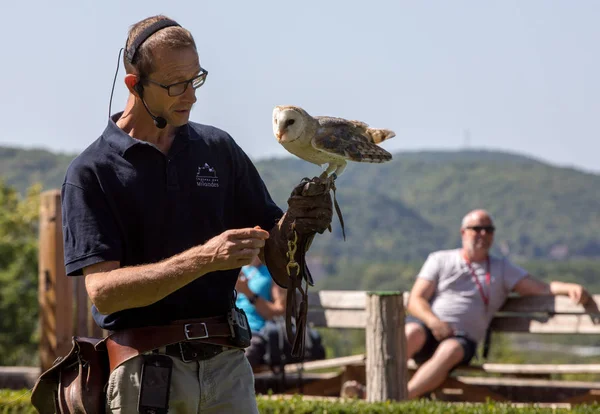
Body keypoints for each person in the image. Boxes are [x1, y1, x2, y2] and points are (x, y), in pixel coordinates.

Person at [60, 15, 332, 414]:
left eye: (196, 79)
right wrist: (206, 258)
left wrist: (296, 226)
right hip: (145, 371)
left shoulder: (218, 148)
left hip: (229, 368)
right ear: (135, 85)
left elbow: (279, 260)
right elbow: (105, 292)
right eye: (175, 85)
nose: (191, 95)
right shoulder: (92, 172)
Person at [405, 209, 591, 400]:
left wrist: (569, 288)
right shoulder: (440, 259)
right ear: (463, 232)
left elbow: (540, 288)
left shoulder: (502, 268)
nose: (483, 234)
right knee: (410, 333)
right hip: (429, 326)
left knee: (450, 350)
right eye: (477, 229)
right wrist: (434, 322)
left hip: (462, 339)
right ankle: (374, 384)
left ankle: (400, 398)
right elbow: (415, 299)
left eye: (489, 229)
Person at [235, 256, 286, 369]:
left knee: (240, 359)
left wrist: (248, 293)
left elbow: (279, 311)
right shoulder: (237, 270)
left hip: (257, 333)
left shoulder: (272, 273)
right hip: (232, 331)